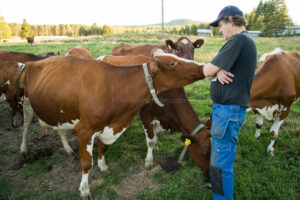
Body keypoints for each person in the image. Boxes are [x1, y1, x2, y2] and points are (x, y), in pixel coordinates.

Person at [203, 5, 257, 200]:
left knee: (221, 164)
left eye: (220, 24)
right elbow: (215, 69)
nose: (219, 29)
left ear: (231, 21)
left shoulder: (238, 40)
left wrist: (212, 70)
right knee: (220, 158)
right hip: (228, 111)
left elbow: (207, 70)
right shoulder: (244, 41)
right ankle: (219, 189)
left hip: (227, 113)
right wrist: (217, 70)